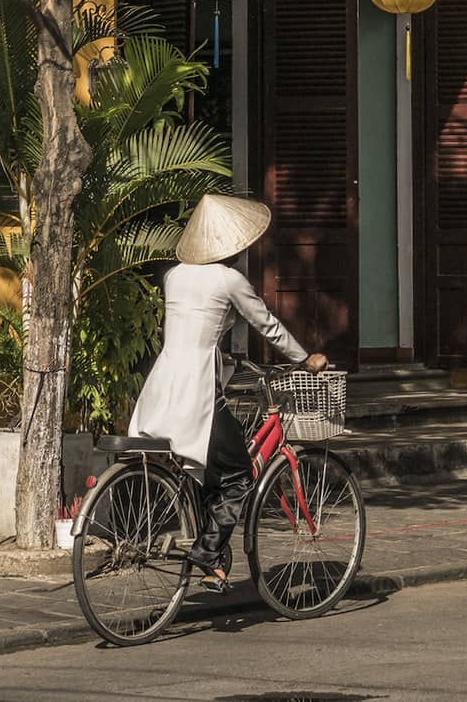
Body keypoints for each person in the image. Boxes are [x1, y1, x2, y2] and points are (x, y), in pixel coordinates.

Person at [129, 193, 327, 590]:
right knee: (237, 474)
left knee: (208, 469)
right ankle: (206, 551)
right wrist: (304, 359)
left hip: (164, 380)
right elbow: (266, 325)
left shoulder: (175, 275)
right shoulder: (229, 279)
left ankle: (212, 560)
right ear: (233, 245)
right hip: (198, 386)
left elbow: (200, 324)